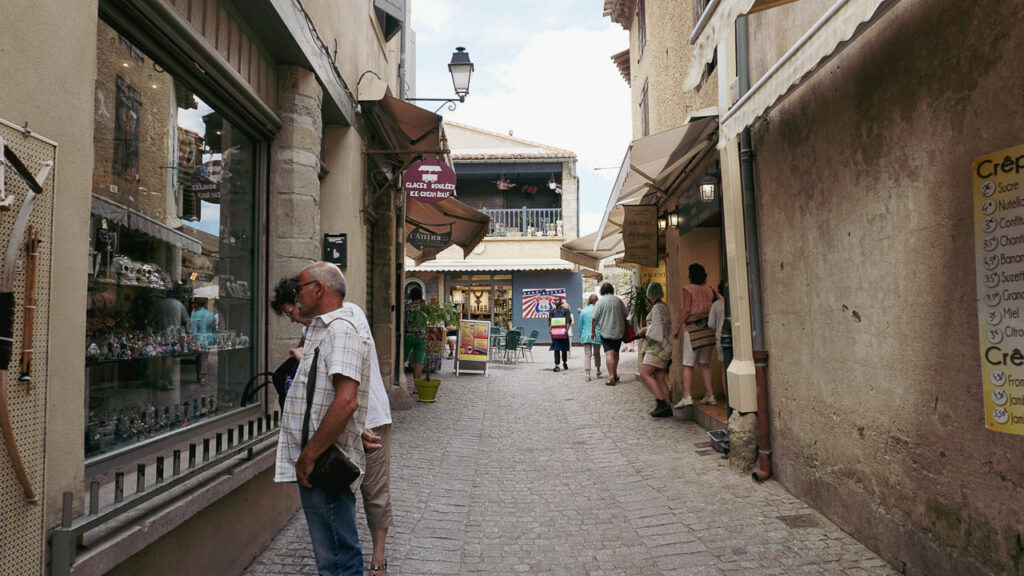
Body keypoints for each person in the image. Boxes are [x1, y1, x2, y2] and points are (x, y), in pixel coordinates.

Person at [272, 275, 393, 576]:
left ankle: (379, 555)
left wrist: (310, 454)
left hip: (367, 420)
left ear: (317, 290)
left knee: (372, 494)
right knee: (336, 538)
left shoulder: (342, 326)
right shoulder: (318, 329)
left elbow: (345, 399)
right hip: (342, 429)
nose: (295, 310)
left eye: (296, 300)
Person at [673, 263, 718, 407]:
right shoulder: (710, 289)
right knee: (704, 364)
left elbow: (686, 309)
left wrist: (677, 327)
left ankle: (687, 396)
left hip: (693, 329)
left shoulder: (688, 289)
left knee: (687, 363)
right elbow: (720, 299)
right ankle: (710, 395)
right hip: (708, 330)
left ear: (690, 275)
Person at [637, 283, 673, 417]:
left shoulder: (657, 307)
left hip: (656, 347)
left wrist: (644, 329)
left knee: (644, 374)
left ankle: (661, 402)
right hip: (666, 347)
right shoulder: (665, 306)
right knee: (659, 376)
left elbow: (657, 329)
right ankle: (667, 406)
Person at [590, 282, 627, 386]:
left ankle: (611, 377)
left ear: (602, 291)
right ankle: (615, 374)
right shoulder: (618, 301)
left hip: (606, 332)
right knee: (616, 353)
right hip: (619, 331)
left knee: (609, 354)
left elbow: (594, 319)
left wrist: (593, 332)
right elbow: (625, 316)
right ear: (612, 290)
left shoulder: (600, 302)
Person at [188, 297, 216, 384]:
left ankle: (198, 375)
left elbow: (192, 330)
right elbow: (213, 329)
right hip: (208, 338)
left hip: (197, 338)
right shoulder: (211, 314)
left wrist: (191, 339)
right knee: (204, 358)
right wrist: (214, 338)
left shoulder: (194, 314)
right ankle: (203, 377)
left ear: (197, 304)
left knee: (198, 358)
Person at [577, 294, 603, 382]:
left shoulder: (583, 311)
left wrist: (580, 335)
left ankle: (587, 374)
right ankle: (598, 370)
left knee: (587, 355)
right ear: (596, 301)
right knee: (597, 353)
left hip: (585, 335)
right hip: (596, 335)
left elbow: (580, 325)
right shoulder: (598, 311)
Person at [404, 285, 426, 381]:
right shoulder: (424, 308)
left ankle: (401, 381)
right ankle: (416, 387)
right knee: (418, 362)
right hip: (420, 337)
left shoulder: (407, 308)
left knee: (403, 360)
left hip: (408, 336)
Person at [548, 296, 571, 371]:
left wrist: (567, 330)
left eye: (558, 299)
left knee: (564, 348)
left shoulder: (566, 311)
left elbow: (568, 321)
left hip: (564, 332)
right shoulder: (552, 311)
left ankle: (564, 362)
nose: (556, 301)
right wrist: (550, 330)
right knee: (556, 348)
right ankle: (557, 365)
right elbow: (550, 321)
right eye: (555, 300)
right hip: (555, 333)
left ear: (561, 301)